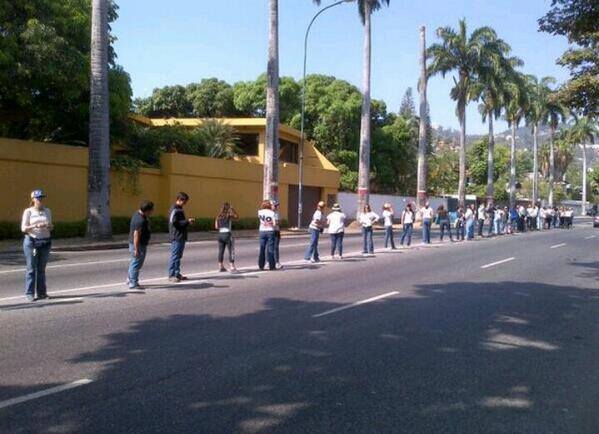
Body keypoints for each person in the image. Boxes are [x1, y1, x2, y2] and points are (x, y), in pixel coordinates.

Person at [21, 189, 53, 302]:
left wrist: (48, 226)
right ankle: (29, 293)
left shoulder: (47, 211)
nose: (40, 200)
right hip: (32, 242)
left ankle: (42, 293)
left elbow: (51, 226)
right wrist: (36, 226)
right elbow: (23, 228)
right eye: (38, 198)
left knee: (41, 269)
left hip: (45, 241)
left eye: (41, 198)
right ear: (33, 199)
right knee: (31, 269)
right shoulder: (28, 211)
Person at [168, 192, 195, 282]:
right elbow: (174, 223)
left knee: (178, 256)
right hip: (176, 236)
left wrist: (187, 222)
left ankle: (177, 273)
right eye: (185, 202)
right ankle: (171, 275)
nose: (185, 203)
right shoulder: (174, 209)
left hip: (181, 235)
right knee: (175, 256)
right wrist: (187, 221)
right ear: (180, 200)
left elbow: (180, 222)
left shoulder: (180, 209)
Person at [127, 200, 154, 290]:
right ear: (147, 210)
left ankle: (130, 278)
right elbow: (136, 235)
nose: (152, 212)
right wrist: (136, 249)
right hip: (138, 245)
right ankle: (133, 282)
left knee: (135, 262)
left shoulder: (138, 214)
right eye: (151, 210)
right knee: (136, 263)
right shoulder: (140, 220)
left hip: (139, 244)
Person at [216, 202, 239, 272]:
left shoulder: (218, 216)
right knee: (231, 251)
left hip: (220, 234)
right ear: (228, 208)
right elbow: (237, 217)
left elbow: (216, 227)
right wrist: (233, 209)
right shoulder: (229, 215)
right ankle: (232, 266)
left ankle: (220, 266)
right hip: (227, 234)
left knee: (221, 251)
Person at [258, 200, 278, 270]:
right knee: (270, 249)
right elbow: (275, 224)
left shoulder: (259, 212)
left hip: (262, 231)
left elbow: (261, 220)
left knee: (262, 248)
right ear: (269, 205)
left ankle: (261, 265)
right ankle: (272, 266)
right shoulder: (272, 213)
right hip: (270, 231)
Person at [272, 201, 282, 268]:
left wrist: (277, 222)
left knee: (275, 247)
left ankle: (277, 262)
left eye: (276, 206)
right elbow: (276, 222)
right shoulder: (270, 214)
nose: (276, 207)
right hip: (271, 231)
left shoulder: (276, 213)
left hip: (276, 231)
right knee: (270, 247)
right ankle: (271, 262)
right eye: (274, 206)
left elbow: (279, 222)